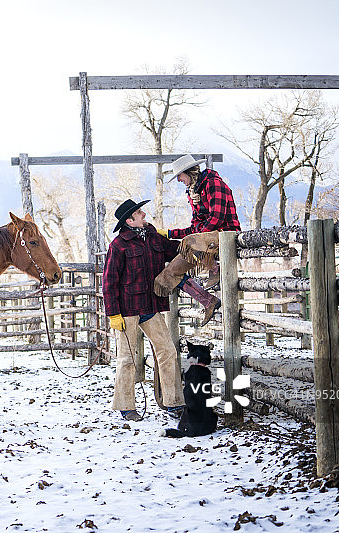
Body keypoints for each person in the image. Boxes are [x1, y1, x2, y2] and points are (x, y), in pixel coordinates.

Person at [103, 199, 186, 422]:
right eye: (140, 213)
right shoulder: (118, 246)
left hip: (151, 306)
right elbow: (109, 282)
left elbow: (175, 250)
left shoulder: (153, 236)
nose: (144, 214)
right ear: (129, 220)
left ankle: (173, 402)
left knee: (167, 351)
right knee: (127, 359)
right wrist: (113, 314)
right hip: (127, 310)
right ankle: (126, 406)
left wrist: (192, 242)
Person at [155, 155, 241, 326]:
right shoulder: (193, 192)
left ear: (189, 172)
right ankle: (209, 301)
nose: (179, 180)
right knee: (166, 276)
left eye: (180, 175)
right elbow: (195, 227)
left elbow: (217, 217)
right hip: (203, 240)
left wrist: (193, 238)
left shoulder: (213, 183)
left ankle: (214, 269)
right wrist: (170, 233)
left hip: (225, 234)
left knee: (190, 242)